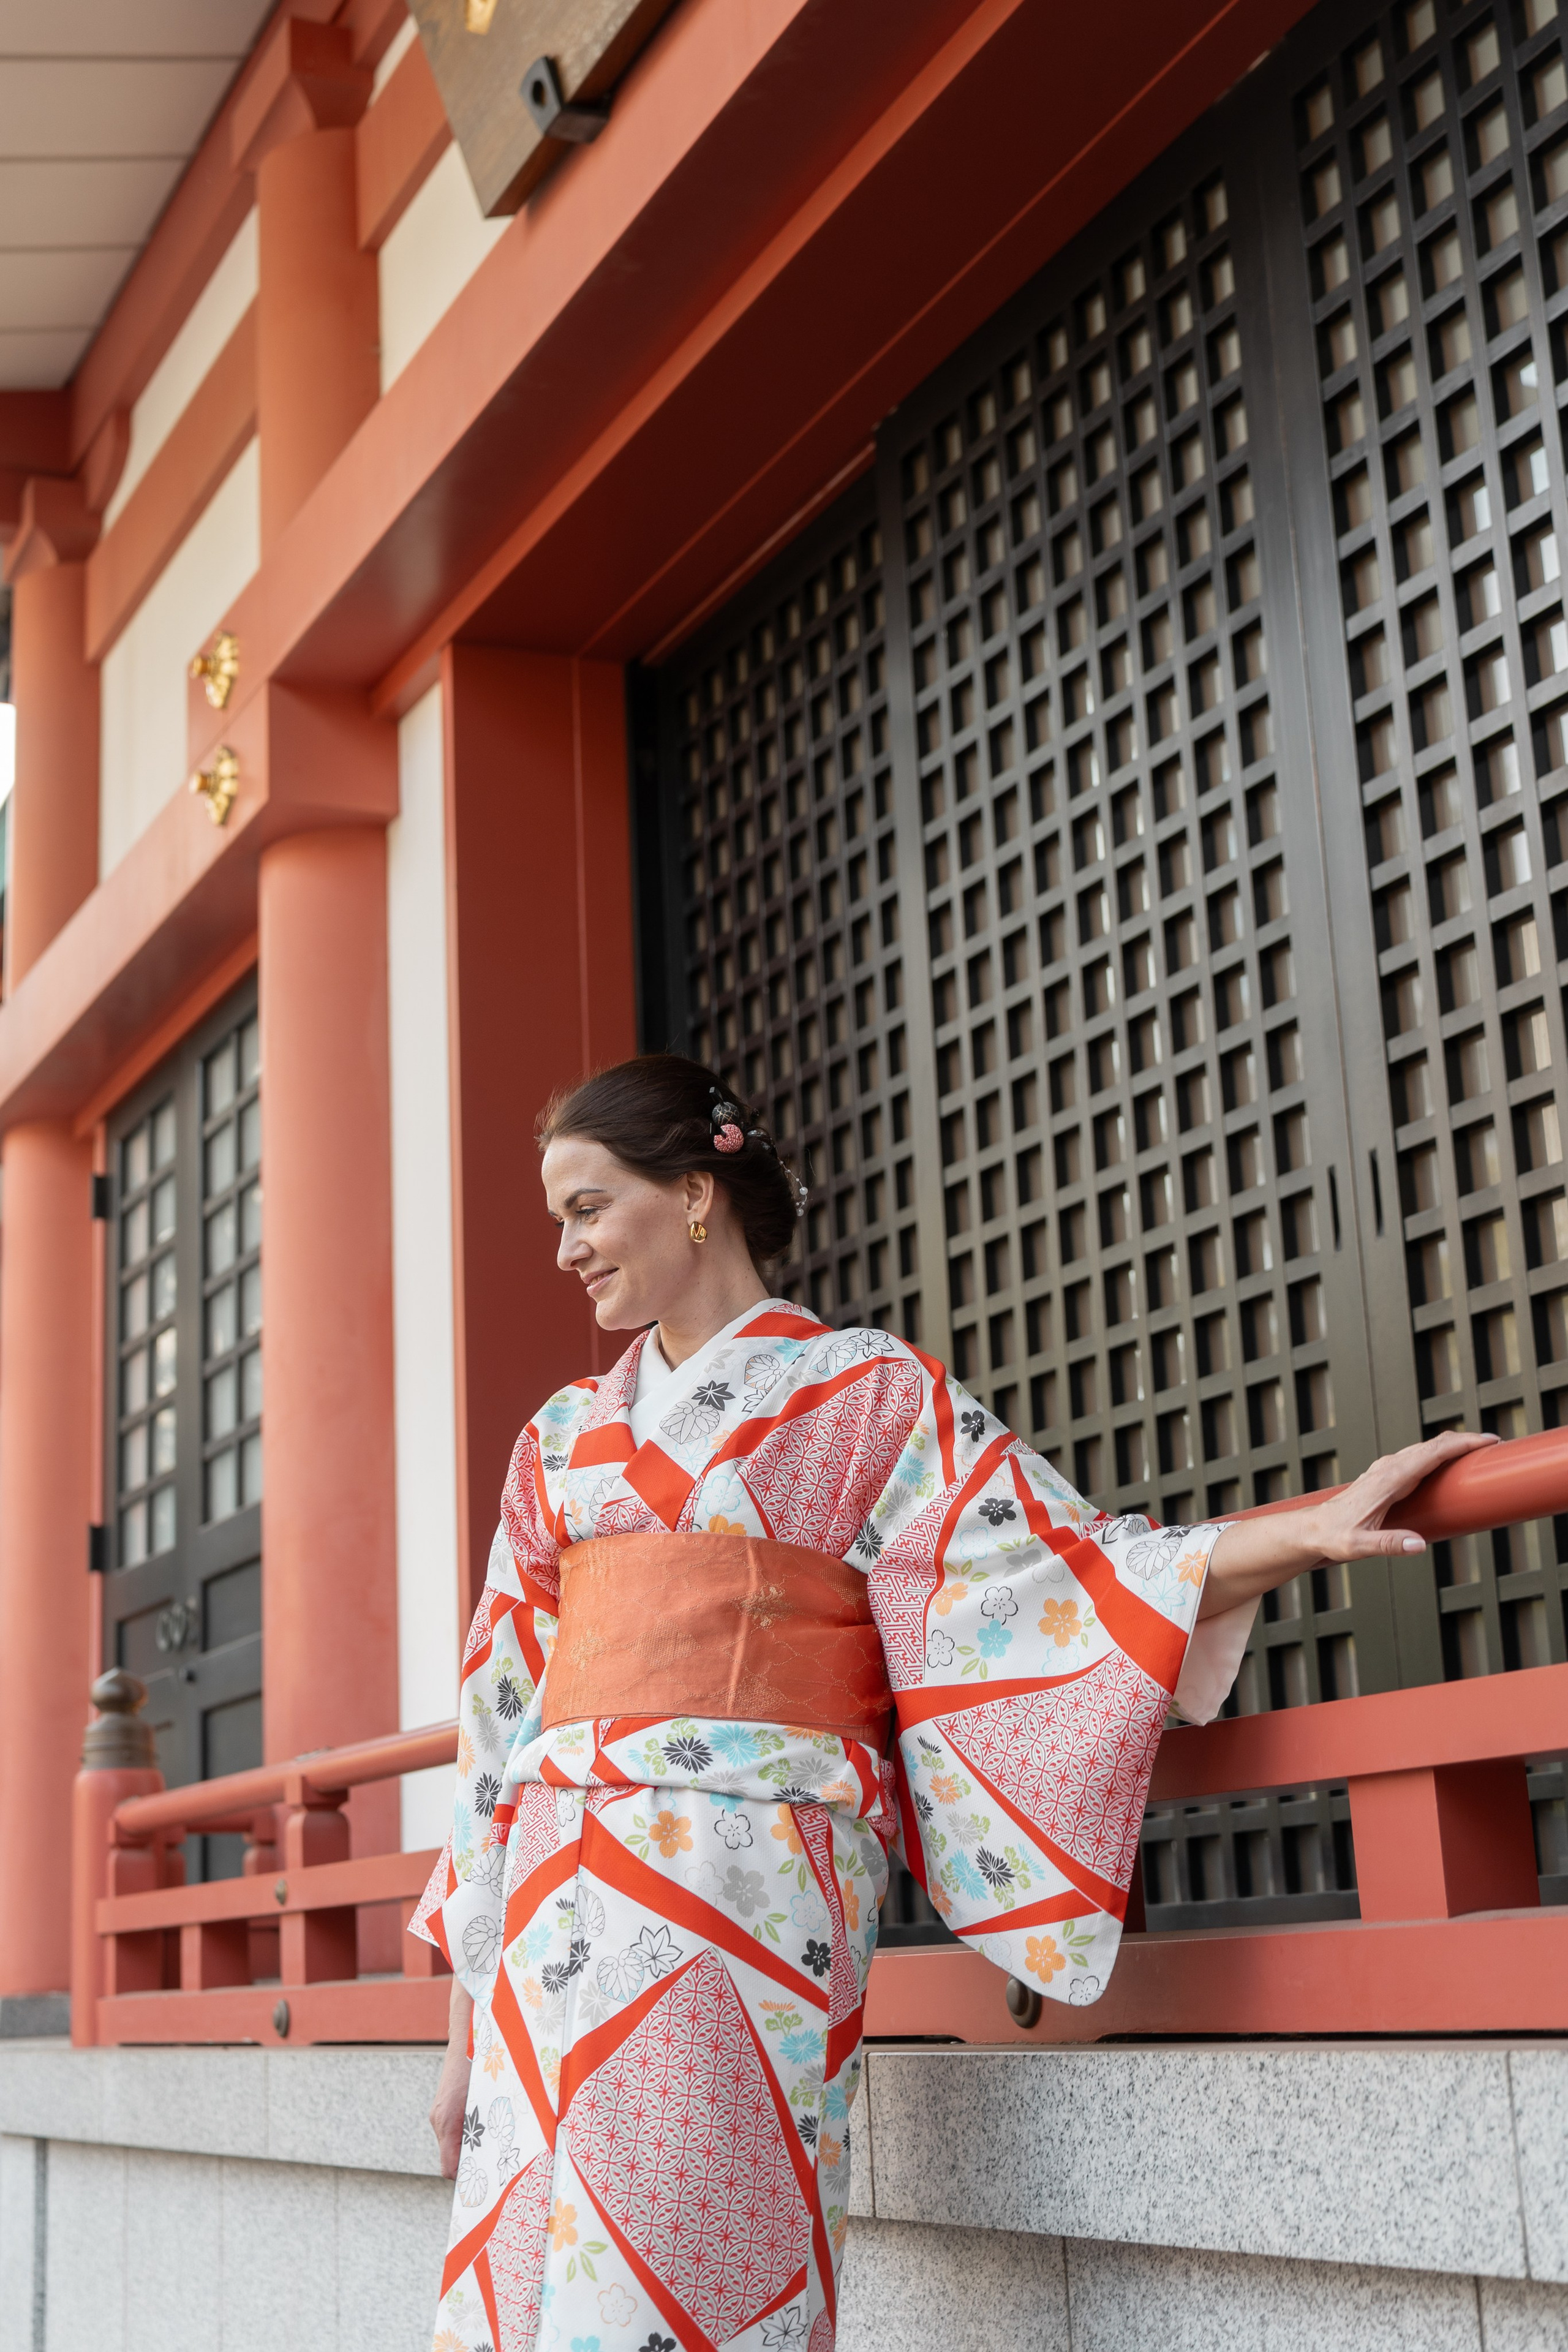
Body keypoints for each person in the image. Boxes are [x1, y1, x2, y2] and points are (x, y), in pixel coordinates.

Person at [410, 1052, 1489, 2352]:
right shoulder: (559, 1438)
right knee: (523, 2269)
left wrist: (1304, 1532)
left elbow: (1051, 1571)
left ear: (693, 1192)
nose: (567, 1249)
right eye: (557, 1221)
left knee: (704, 2241)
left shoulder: (867, 1396)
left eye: (587, 1207)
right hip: (552, 1889)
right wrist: (464, 2021)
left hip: (747, 1882)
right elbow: (499, 1714)